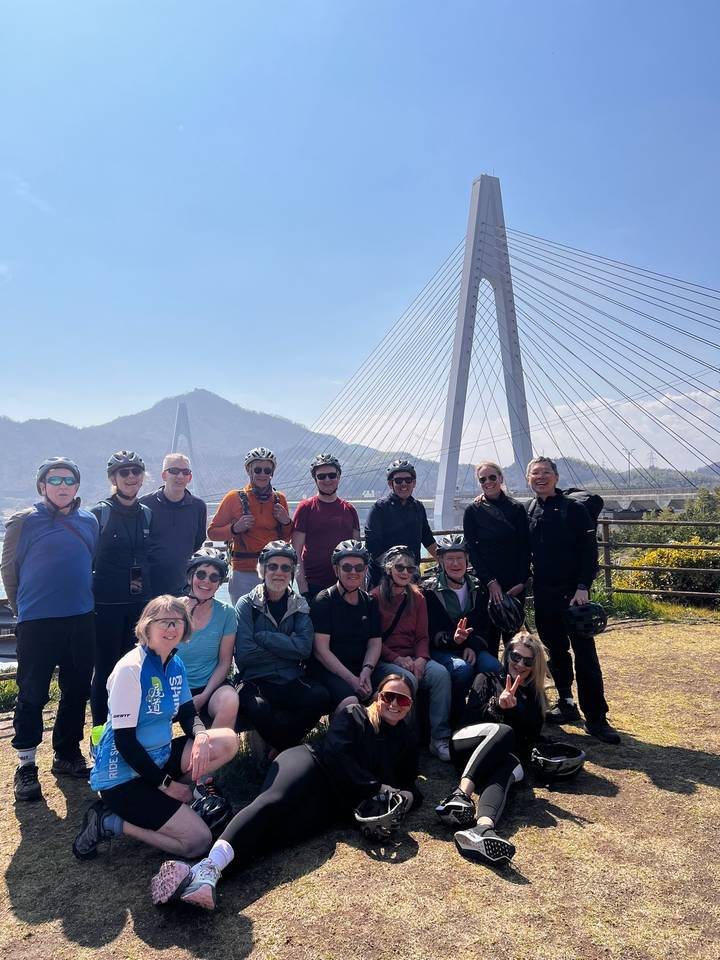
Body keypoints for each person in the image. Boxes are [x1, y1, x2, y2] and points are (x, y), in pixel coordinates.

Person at [150, 673, 420, 911]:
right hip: (311, 764)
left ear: (410, 707)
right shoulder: (354, 714)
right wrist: (377, 787)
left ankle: (198, 876)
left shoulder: (406, 739)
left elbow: (410, 784)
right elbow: (337, 756)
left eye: (403, 700)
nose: (395, 704)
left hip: (333, 802)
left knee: (277, 837)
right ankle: (208, 868)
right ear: (378, 696)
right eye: (389, 696)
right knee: (272, 804)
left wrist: (407, 796)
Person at [72, 596, 238, 861]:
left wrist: (201, 735)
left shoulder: (174, 663)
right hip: (123, 776)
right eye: (164, 622)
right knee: (198, 842)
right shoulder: (130, 668)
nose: (172, 629)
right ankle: (108, 820)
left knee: (226, 740)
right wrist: (167, 785)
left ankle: (163, 804)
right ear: (147, 626)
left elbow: (187, 714)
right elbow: (124, 742)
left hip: (157, 758)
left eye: (178, 622)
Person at [1, 458, 99, 801]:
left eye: (69, 480)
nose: (62, 485)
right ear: (42, 486)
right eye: (54, 479)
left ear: (76, 486)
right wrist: (21, 609)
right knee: (32, 693)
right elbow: (9, 570)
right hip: (37, 622)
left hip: (81, 617)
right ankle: (26, 765)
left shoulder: (89, 520)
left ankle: (67, 754)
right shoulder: (23, 521)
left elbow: (90, 562)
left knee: (76, 690)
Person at [525, 456, 620, 744]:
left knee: (585, 655)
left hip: (573, 593)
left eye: (545, 472)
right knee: (556, 651)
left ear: (555, 476)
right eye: (534, 473)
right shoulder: (528, 509)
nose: (540, 477)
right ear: (529, 479)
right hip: (544, 592)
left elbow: (589, 553)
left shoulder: (575, 509)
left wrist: (583, 586)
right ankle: (566, 703)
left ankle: (597, 717)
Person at [435, 632, 548, 866]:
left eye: (528, 661)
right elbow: (469, 720)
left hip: (503, 758)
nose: (520, 664)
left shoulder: (536, 694)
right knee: (504, 732)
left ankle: (481, 830)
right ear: (507, 655)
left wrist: (515, 709)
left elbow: (532, 735)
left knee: (509, 766)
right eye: (516, 657)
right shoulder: (486, 678)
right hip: (467, 746)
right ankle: (460, 795)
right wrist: (498, 705)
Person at [234, 541, 330, 753]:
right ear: (262, 569)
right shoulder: (246, 603)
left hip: (290, 678)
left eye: (286, 567)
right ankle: (289, 750)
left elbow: (304, 649)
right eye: (273, 566)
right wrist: (288, 645)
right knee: (258, 709)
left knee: (320, 696)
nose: (279, 572)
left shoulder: (299, 604)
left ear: (293, 572)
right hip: (256, 678)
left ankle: (280, 749)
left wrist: (265, 637)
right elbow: (245, 655)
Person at [89, 451, 153, 736]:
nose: (130, 477)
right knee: (104, 671)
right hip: (105, 604)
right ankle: (100, 734)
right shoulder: (99, 514)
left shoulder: (146, 514)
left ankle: (126, 732)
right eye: (123, 472)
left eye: (135, 472)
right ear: (113, 478)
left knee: (132, 669)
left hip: (137, 604)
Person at [371, 546, 453, 762]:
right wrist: (397, 659)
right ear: (389, 569)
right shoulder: (375, 598)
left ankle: (439, 739)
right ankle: (407, 740)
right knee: (406, 682)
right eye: (399, 567)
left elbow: (422, 636)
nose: (405, 572)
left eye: (409, 568)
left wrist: (421, 659)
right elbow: (374, 640)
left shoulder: (418, 598)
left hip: (414, 658)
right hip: (386, 660)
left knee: (441, 675)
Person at [422, 535, 502, 724]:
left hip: (470, 647)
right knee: (462, 670)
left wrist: (472, 646)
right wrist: (453, 640)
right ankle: (456, 717)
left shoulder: (479, 587)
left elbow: (484, 625)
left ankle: (485, 715)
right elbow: (428, 630)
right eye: (450, 559)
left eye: (459, 558)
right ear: (440, 560)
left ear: (467, 559)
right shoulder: (428, 591)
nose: (455, 563)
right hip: (441, 649)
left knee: (493, 667)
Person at [462, 461, 530, 659]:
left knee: (514, 640)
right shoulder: (472, 511)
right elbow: (472, 550)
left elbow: (525, 547)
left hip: (513, 584)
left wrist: (521, 581)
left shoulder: (516, 508)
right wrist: (490, 582)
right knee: (487, 637)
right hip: (486, 584)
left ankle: (517, 685)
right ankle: (490, 685)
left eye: (492, 477)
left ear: (501, 478)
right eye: (483, 479)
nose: (488, 482)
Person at [207, 447, 292, 604]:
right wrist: (234, 529)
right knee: (243, 620)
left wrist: (286, 521)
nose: (262, 474)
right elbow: (212, 532)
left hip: (273, 570)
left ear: (272, 473)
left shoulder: (280, 499)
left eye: (267, 470)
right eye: (257, 469)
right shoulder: (233, 498)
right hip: (243, 571)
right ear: (249, 470)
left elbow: (286, 538)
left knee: (274, 618)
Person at [308, 541, 382, 713]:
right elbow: (321, 650)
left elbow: (375, 642)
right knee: (351, 702)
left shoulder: (369, 601)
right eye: (347, 567)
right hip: (329, 670)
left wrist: (366, 671)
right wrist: (352, 680)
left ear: (365, 570)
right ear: (336, 570)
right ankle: (337, 739)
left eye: (359, 567)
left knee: (393, 689)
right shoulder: (324, 600)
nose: (353, 572)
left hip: (361, 667)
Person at [174, 549, 239, 730]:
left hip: (209, 686)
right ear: (190, 578)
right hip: (173, 688)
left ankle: (210, 753)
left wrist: (204, 695)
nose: (206, 581)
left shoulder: (226, 613)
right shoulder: (172, 610)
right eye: (201, 574)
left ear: (219, 584)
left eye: (213, 577)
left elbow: (225, 661)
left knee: (229, 700)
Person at [291, 454, 360, 603]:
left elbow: (358, 553)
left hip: (345, 584)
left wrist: (359, 588)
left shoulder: (349, 509)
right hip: (314, 585)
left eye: (331, 475)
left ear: (339, 476)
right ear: (315, 479)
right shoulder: (306, 508)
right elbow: (296, 552)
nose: (327, 480)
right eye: (321, 476)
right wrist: (303, 589)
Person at [140, 453, 207, 598]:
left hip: (184, 589)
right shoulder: (144, 505)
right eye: (174, 471)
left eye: (185, 472)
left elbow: (197, 542)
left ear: (190, 477)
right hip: (149, 589)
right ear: (164, 475)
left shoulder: (198, 507)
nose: (180, 476)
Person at [365, 460, 437, 586]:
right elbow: (372, 545)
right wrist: (394, 570)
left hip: (410, 576)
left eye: (408, 480)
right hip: (382, 579)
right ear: (390, 483)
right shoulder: (379, 509)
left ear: (414, 483)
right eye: (398, 481)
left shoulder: (418, 508)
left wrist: (446, 561)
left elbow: (428, 539)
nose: (403, 484)